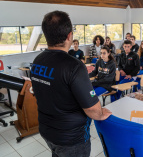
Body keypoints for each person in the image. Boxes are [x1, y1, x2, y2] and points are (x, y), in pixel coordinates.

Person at [31, 11, 111, 157]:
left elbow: (50, 87)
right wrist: (102, 113)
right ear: (69, 36)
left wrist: (78, 78)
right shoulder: (74, 66)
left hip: (47, 131)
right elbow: (93, 110)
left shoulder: (37, 61)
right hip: (71, 139)